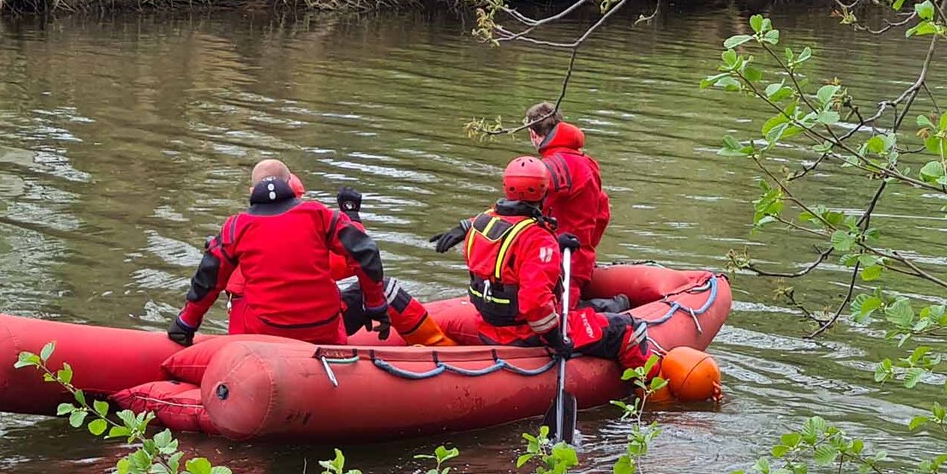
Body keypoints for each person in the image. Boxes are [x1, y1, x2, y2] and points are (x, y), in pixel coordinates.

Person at [167, 159, 391, 347]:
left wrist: (186, 323)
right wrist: (375, 305)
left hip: (263, 336)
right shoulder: (320, 215)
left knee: (240, 301)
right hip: (324, 332)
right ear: (291, 187)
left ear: (252, 192)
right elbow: (365, 253)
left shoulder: (235, 227)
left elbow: (207, 280)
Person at [431, 102, 628, 314]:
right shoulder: (584, 162)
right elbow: (602, 214)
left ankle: (611, 308)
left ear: (533, 134)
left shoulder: (558, 165)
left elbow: (520, 200)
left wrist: (469, 226)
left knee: (555, 317)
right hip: (570, 255)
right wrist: (585, 247)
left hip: (560, 261)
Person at [463, 155, 651, 372]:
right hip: (527, 336)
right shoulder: (538, 239)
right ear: (544, 190)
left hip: (488, 327)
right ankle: (656, 399)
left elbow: (505, 262)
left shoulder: (480, 224)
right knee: (627, 328)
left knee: (597, 310)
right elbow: (535, 303)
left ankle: (612, 306)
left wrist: (553, 242)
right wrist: (557, 339)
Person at [225, 177, 455, 347]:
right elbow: (357, 259)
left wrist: (187, 324)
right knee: (386, 290)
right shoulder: (301, 235)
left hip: (251, 335)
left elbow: (208, 281)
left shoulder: (238, 233)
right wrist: (352, 218)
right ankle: (443, 350)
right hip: (304, 334)